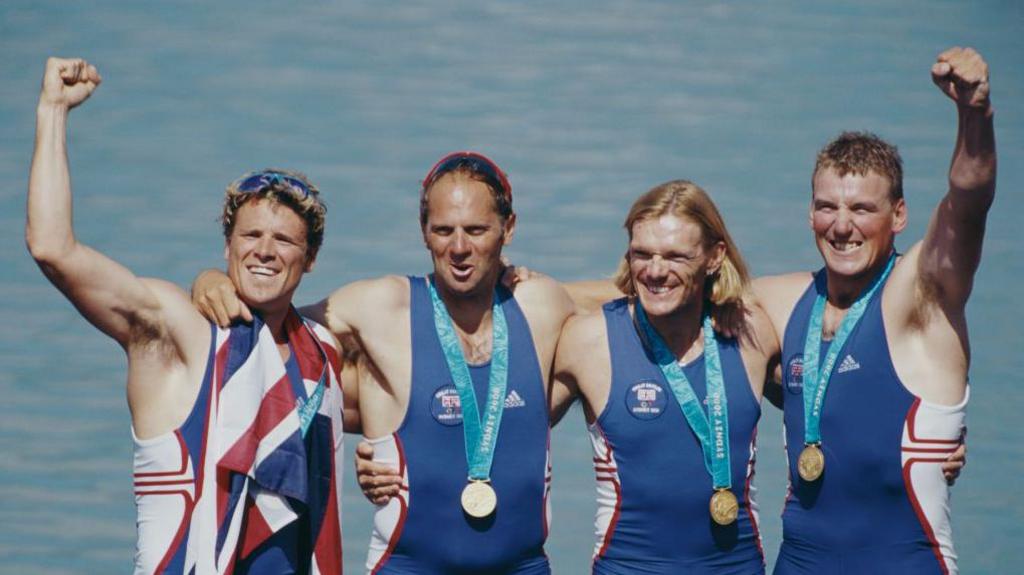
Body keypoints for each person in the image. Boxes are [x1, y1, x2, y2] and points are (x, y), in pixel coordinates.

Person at [26, 58, 348, 574]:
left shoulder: (322, 353)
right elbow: (53, 249)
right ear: (227, 246)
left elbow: (405, 409)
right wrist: (52, 111)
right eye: (250, 236)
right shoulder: (179, 332)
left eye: (283, 240)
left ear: (309, 259)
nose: (264, 251)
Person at [192, 152, 576, 574]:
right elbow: (277, 319)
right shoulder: (379, 306)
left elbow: (634, 298)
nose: (460, 248)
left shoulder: (542, 303)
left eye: (477, 230)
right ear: (424, 232)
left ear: (509, 228)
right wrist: (212, 281)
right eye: (444, 230)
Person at [752, 46, 994, 574]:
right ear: (810, 211)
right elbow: (669, 290)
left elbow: (968, 202)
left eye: (862, 208)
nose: (842, 226)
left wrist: (974, 113)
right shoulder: (782, 300)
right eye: (826, 207)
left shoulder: (924, 295)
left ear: (899, 215)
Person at [550, 181, 778, 573]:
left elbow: (830, 414)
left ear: (714, 257)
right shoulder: (590, 342)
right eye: (642, 254)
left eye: (675, 256)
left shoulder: (750, 332)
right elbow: (508, 428)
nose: (655, 271)